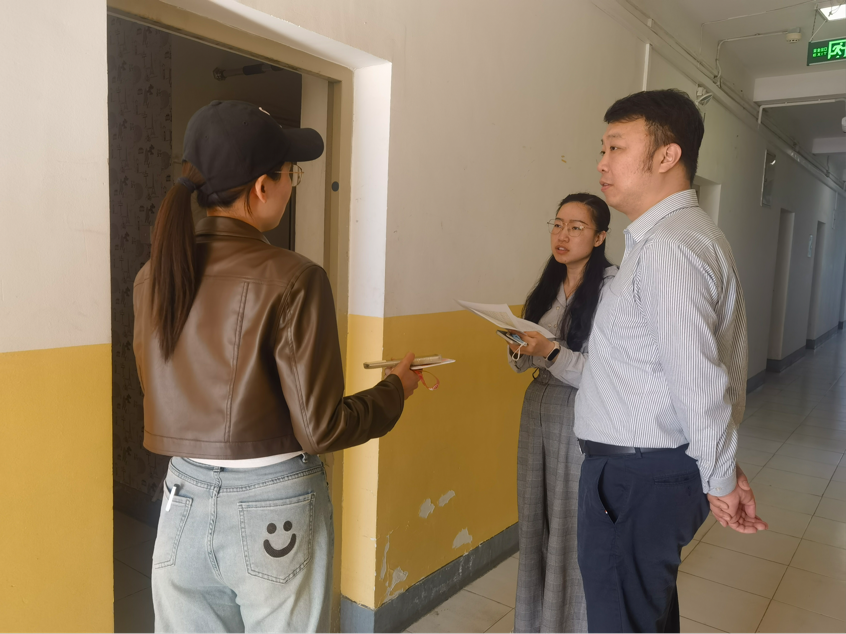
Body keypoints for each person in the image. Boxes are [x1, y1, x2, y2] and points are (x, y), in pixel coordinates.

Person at [133, 100, 420, 633]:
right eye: (292, 175)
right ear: (263, 187)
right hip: (273, 502)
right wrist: (395, 390)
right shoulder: (295, 276)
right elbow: (321, 428)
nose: (292, 186)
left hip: (181, 494)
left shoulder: (155, 275)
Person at [574, 89, 767, 634]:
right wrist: (718, 467)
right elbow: (687, 371)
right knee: (646, 617)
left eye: (616, 147)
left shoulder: (668, 248)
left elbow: (698, 381)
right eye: (603, 149)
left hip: (636, 479)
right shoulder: (677, 237)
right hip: (654, 469)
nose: (602, 163)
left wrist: (720, 476)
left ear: (667, 156)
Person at [506, 193, 617, 633]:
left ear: (600, 237)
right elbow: (523, 364)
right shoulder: (546, 288)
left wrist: (550, 351)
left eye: (576, 227)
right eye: (557, 224)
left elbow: (606, 373)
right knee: (534, 518)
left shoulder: (612, 289)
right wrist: (518, 348)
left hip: (580, 414)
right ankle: (536, 621)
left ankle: (571, 622)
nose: (562, 235)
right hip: (537, 408)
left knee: (571, 521)